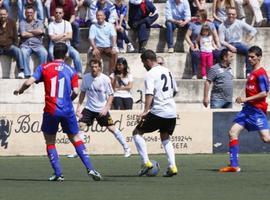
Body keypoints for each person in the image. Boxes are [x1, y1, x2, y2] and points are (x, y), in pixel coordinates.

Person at [13, 42, 102, 181]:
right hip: (67, 110)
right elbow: (76, 91)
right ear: (66, 55)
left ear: (52, 54)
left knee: (50, 142)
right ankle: (91, 169)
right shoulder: (71, 70)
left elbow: (29, 82)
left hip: (51, 110)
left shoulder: (44, 67)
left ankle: (58, 173)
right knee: (76, 139)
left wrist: (20, 90)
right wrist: (68, 99)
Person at [219, 46, 270, 172]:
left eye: (253, 57)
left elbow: (264, 93)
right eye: (249, 56)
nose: (250, 59)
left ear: (259, 57)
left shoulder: (261, 73)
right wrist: (242, 98)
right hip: (247, 110)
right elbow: (251, 91)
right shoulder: (252, 73)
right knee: (232, 133)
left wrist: (246, 99)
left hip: (257, 111)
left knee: (266, 139)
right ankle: (234, 165)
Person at [132, 49, 178, 177]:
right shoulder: (167, 70)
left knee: (137, 133)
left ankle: (146, 162)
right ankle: (172, 166)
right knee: (165, 137)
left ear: (148, 61)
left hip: (159, 110)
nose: (144, 66)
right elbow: (175, 90)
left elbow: (149, 93)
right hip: (171, 111)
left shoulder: (150, 74)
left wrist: (146, 110)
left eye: (143, 63)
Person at [76, 58, 132, 158]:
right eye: (92, 67)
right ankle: (81, 150)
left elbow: (111, 94)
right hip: (89, 108)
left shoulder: (105, 79)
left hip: (101, 108)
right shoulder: (86, 78)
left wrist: (106, 108)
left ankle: (126, 147)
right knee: (80, 125)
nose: (94, 69)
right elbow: (83, 92)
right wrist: (78, 107)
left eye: (96, 67)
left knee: (111, 128)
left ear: (100, 68)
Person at [218, 7, 257, 76]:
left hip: (238, 44)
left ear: (236, 15)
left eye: (233, 14)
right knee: (218, 53)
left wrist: (246, 41)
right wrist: (229, 46)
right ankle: (222, 72)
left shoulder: (240, 23)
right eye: (229, 14)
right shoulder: (222, 25)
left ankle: (248, 72)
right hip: (227, 44)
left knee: (249, 51)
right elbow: (221, 40)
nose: (231, 16)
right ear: (226, 14)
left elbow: (253, 30)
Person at [185, 9, 221, 79]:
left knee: (219, 54)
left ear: (203, 16)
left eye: (198, 16)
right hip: (196, 45)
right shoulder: (193, 25)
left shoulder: (211, 24)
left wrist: (217, 45)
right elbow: (187, 36)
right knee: (195, 54)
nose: (196, 17)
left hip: (209, 45)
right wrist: (191, 45)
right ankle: (195, 74)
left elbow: (216, 36)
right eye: (196, 16)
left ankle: (218, 73)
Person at [48, 6, 83, 77]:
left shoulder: (67, 23)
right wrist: (63, 35)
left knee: (76, 54)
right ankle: (54, 72)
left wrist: (57, 36)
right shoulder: (51, 25)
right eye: (56, 13)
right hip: (54, 45)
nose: (58, 14)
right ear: (54, 14)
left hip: (66, 45)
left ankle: (79, 72)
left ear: (63, 14)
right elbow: (52, 38)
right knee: (51, 53)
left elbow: (70, 36)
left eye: (60, 13)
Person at [19, 5, 48, 78]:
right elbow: (23, 34)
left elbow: (40, 31)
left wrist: (29, 31)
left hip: (38, 45)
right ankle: (27, 73)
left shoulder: (39, 22)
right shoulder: (22, 22)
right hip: (25, 45)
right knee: (23, 52)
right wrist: (36, 33)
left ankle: (41, 73)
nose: (29, 14)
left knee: (44, 53)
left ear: (34, 13)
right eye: (27, 13)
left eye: (31, 12)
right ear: (25, 13)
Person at [89, 10, 117, 74]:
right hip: (98, 46)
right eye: (98, 15)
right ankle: (98, 72)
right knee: (95, 54)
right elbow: (91, 38)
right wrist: (94, 48)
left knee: (114, 53)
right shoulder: (93, 26)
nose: (99, 17)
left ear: (105, 16)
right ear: (96, 17)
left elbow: (113, 36)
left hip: (108, 46)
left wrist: (114, 47)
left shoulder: (110, 25)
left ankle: (112, 72)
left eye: (101, 15)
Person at [0, 7, 25, 79]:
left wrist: (15, 46)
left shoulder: (12, 22)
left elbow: (15, 37)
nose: (2, 16)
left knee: (18, 51)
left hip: (9, 47)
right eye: (1, 14)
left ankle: (21, 71)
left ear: (7, 14)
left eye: (4, 14)